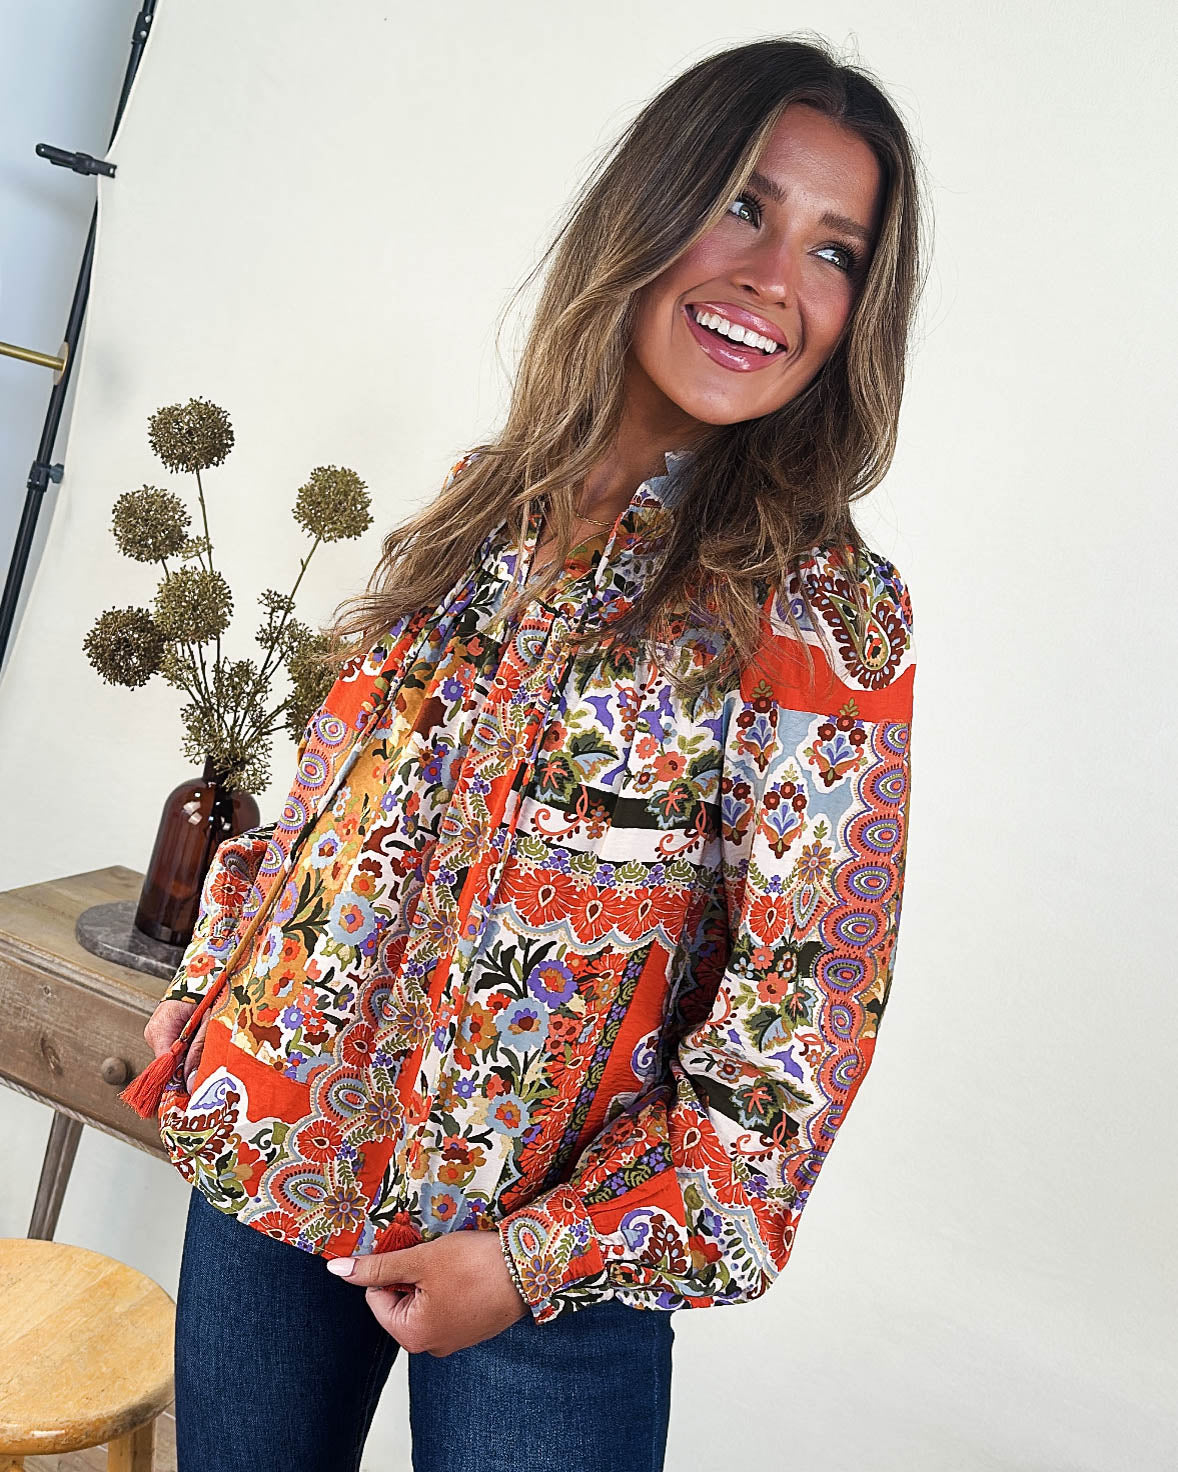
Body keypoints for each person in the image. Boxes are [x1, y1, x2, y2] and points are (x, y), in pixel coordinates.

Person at [132, 32, 926, 1472]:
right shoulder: (484, 499)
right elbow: (329, 800)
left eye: (834, 251)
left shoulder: (819, 609)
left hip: (547, 1272)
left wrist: (535, 1260)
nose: (775, 280)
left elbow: (798, 1028)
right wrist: (207, 997)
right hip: (274, 1153)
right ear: (651, 206)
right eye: (742, 205)